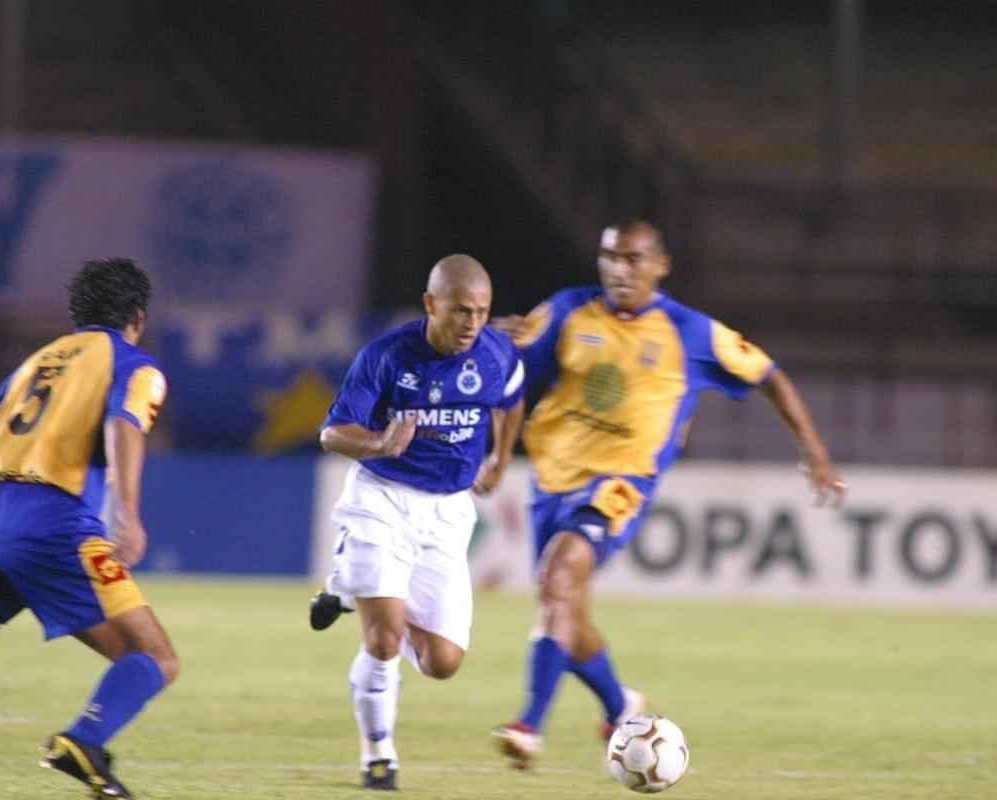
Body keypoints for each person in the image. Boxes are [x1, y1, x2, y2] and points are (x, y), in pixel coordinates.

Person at [490, 219, 847, 768]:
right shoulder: (567, 311)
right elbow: (510, 372)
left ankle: (528, 725)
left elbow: (769, 375)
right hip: (550, 481)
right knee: (564, 607)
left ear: (661, 265)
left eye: (633, 259)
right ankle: (619, 705)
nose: (619, 269)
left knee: (559, 579)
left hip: (618, 486)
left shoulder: (690, 333)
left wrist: (814, 451)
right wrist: (495, 339)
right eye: (610, 257)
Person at [0, 259, 178, 799]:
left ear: (78, 314)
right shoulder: (134, 364)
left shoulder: (30, 366)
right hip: (49, 520)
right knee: (154, 656)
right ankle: (84, 739)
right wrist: (127, 512)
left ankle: (86, 743)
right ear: (138, 316)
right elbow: (124, 424)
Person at [308, 254, 526, 790]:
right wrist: (381, 443)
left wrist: (501, 457)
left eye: (481, 312)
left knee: (442, 661)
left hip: (449, 512)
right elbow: (332, 434)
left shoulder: (495, 353)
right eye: (459, 311)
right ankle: (378, 751)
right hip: (382, 498)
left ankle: (351, 587)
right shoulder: (385, 357)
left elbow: (513, 397)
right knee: (383, 643)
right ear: (431, 305)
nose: (471, 323)